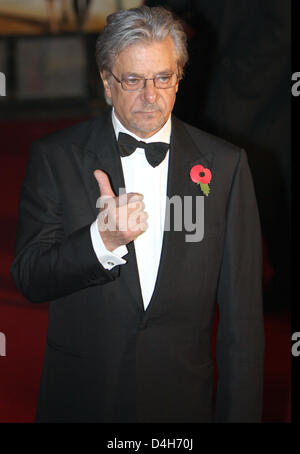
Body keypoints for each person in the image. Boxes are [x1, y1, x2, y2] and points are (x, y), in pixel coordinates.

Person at [10, 6, 265, 423]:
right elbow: (30, 278)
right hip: (83, 399)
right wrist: (101, 242)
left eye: (163, 77)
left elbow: (244, 330)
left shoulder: (227, 166)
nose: (151, 95)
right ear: (107, 84)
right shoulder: (56, 157)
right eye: (133, 80)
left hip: (182, 405)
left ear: (179, 77)